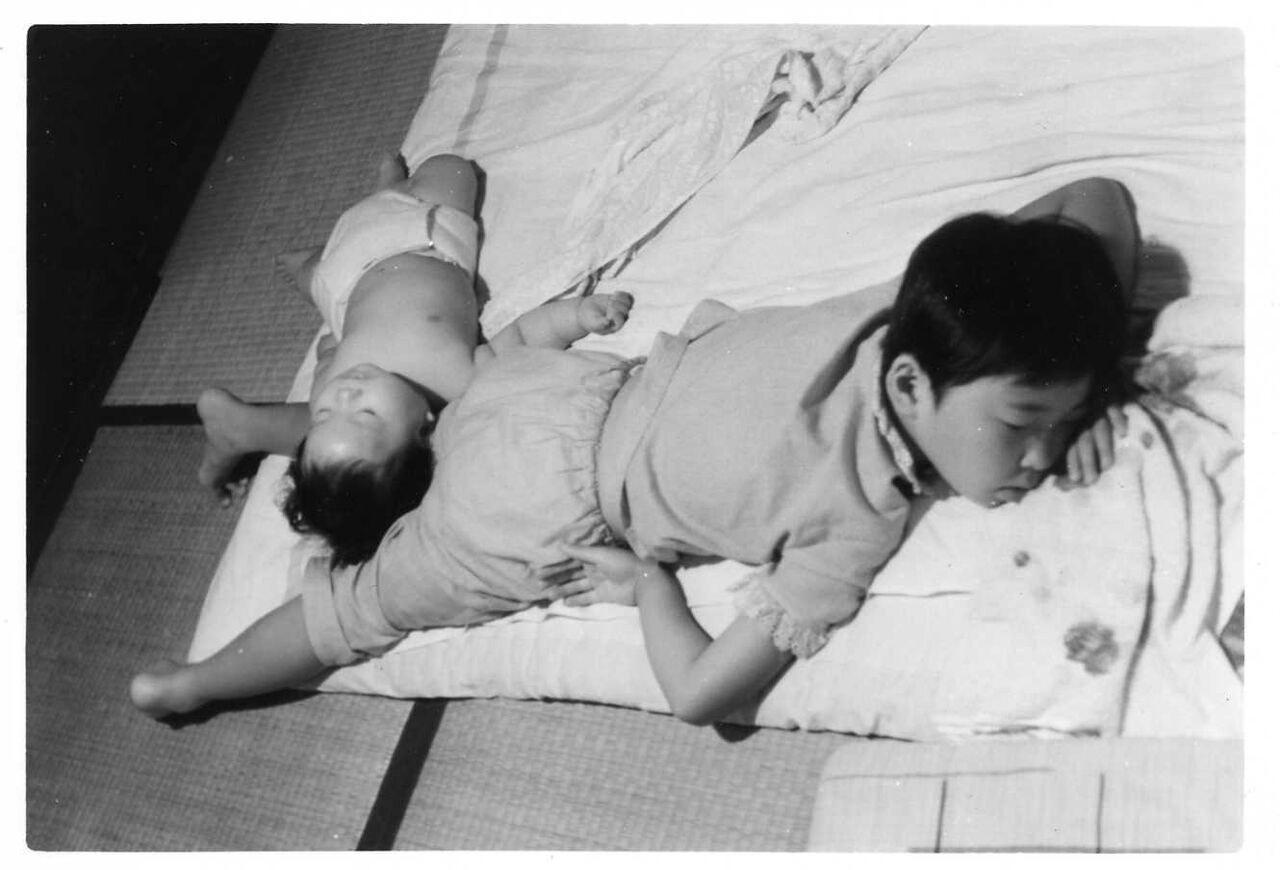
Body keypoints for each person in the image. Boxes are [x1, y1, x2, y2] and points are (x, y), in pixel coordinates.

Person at [130, 176, 1136, 725]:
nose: (1040, 456)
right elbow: (702, 697)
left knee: (381, 452)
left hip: (542, 392)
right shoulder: (861, 507)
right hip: (538, 492)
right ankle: (200, 678)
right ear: (913, 385)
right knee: (353, 604)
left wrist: (1085, 380)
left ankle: (203, 662)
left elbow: (1088, 201)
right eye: (1023, 424)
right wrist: (652, 587)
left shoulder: (919, 314)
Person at [193, 152, 634, 568]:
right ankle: (363, 215)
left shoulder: (337, 387)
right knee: (454, 170)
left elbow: (328, 356)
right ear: (426, 428)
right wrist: (579, 316)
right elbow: (524, 337)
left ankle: (325, 252)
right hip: (419, 234)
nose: (342, 396)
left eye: (323, 416)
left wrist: (329, 353)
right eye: (364, 413)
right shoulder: (459, 380)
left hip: (342, 280)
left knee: (324, 280)